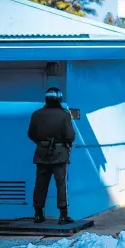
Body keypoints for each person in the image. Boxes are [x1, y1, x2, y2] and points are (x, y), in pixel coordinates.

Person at [27, 87, 75, 225]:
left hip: (41, 152)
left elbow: (31, 134)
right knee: (61, 184)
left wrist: (42, 143)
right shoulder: (65, 115)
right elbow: (70, 136)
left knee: (40, 183)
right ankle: (63, 215)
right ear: (59, 99)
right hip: (59, 153)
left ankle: (38, 214)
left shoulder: (36, 114)